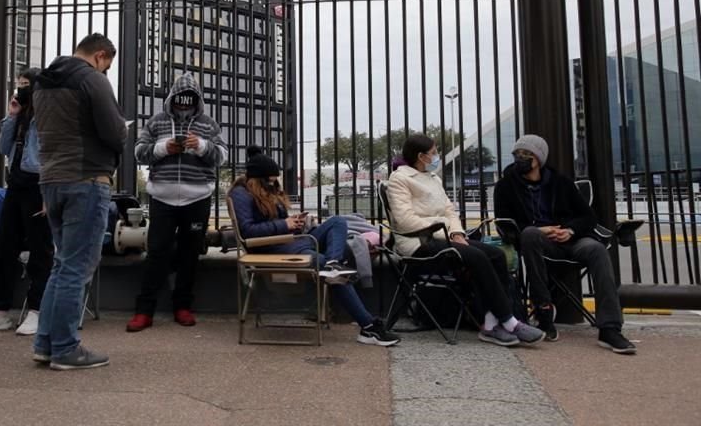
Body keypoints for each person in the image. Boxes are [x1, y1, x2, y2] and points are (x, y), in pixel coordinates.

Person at [229, 145, 401, 347]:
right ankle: (368, 326)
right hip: (267, 247)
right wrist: (284, 224)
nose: (275, 182)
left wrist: (295, 222)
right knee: (321, 260)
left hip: (288, 240)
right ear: (258, 178)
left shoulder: (266, 190)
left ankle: (334, 265)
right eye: (271, 179)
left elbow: (277, 223)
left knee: (337, 222)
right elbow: (248, 231)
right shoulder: (240, 194)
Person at [386, 133, 544, 347]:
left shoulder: (434, 179)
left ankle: (490, 323)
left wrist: (457, 233)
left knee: (496, 255)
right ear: (421, 156)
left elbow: (450, 211)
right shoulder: (400, 179)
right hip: (418, 244)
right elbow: (404, 221)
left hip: (444, 238)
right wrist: (443, 228)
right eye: (433, 153)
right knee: (476, 256)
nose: (437, 156)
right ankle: (509, 321)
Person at [32, 33, 126, 370]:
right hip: (86, 179)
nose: (106, 73)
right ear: (100, 56)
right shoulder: (92, 80)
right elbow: (114, 132)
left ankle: (45, 343)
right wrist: (124, 131)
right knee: (76, 268)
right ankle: (66, 349)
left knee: (62, 265)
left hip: (52, 180)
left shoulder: (43, 82)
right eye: (107, 66)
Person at [493, 134, 637, 354]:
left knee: (597, 250)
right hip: (536, 241)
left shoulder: (561, 183)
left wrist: (569, 230)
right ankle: (543, 311)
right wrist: (540, 230)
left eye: (526, 154)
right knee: (530, 234)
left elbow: (588, 217)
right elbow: (504, 225)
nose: (520, 158)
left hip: (571, 239)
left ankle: (610, 328)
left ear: (539, 159)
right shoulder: (505, 187)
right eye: (517, 154)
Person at [127, 72, 228, 332]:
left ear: (196, 101)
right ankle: (144, 309)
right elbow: (138, 152)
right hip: (162, 196)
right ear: (172, 98)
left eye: (189, 101)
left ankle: (183, 306)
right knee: (156, 252)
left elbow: (222, 157)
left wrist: (202, 146)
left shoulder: (208, 124)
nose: (184, 106)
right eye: (180, 101)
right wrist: (164, 148)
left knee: (190, 254)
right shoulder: (156, 121)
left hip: (198, 197)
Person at [0, 68, 53, 336]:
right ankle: (0, 310)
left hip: (38, 186)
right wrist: (12, 115)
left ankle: (37, 310)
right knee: (4, 246)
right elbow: (3, 148)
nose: (21, 89)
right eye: (18, 84)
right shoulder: (20, 116)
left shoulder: (48, 115)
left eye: (26, 85)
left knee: (40, 251)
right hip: (16, 185)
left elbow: (53, 155)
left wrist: (49, 193)